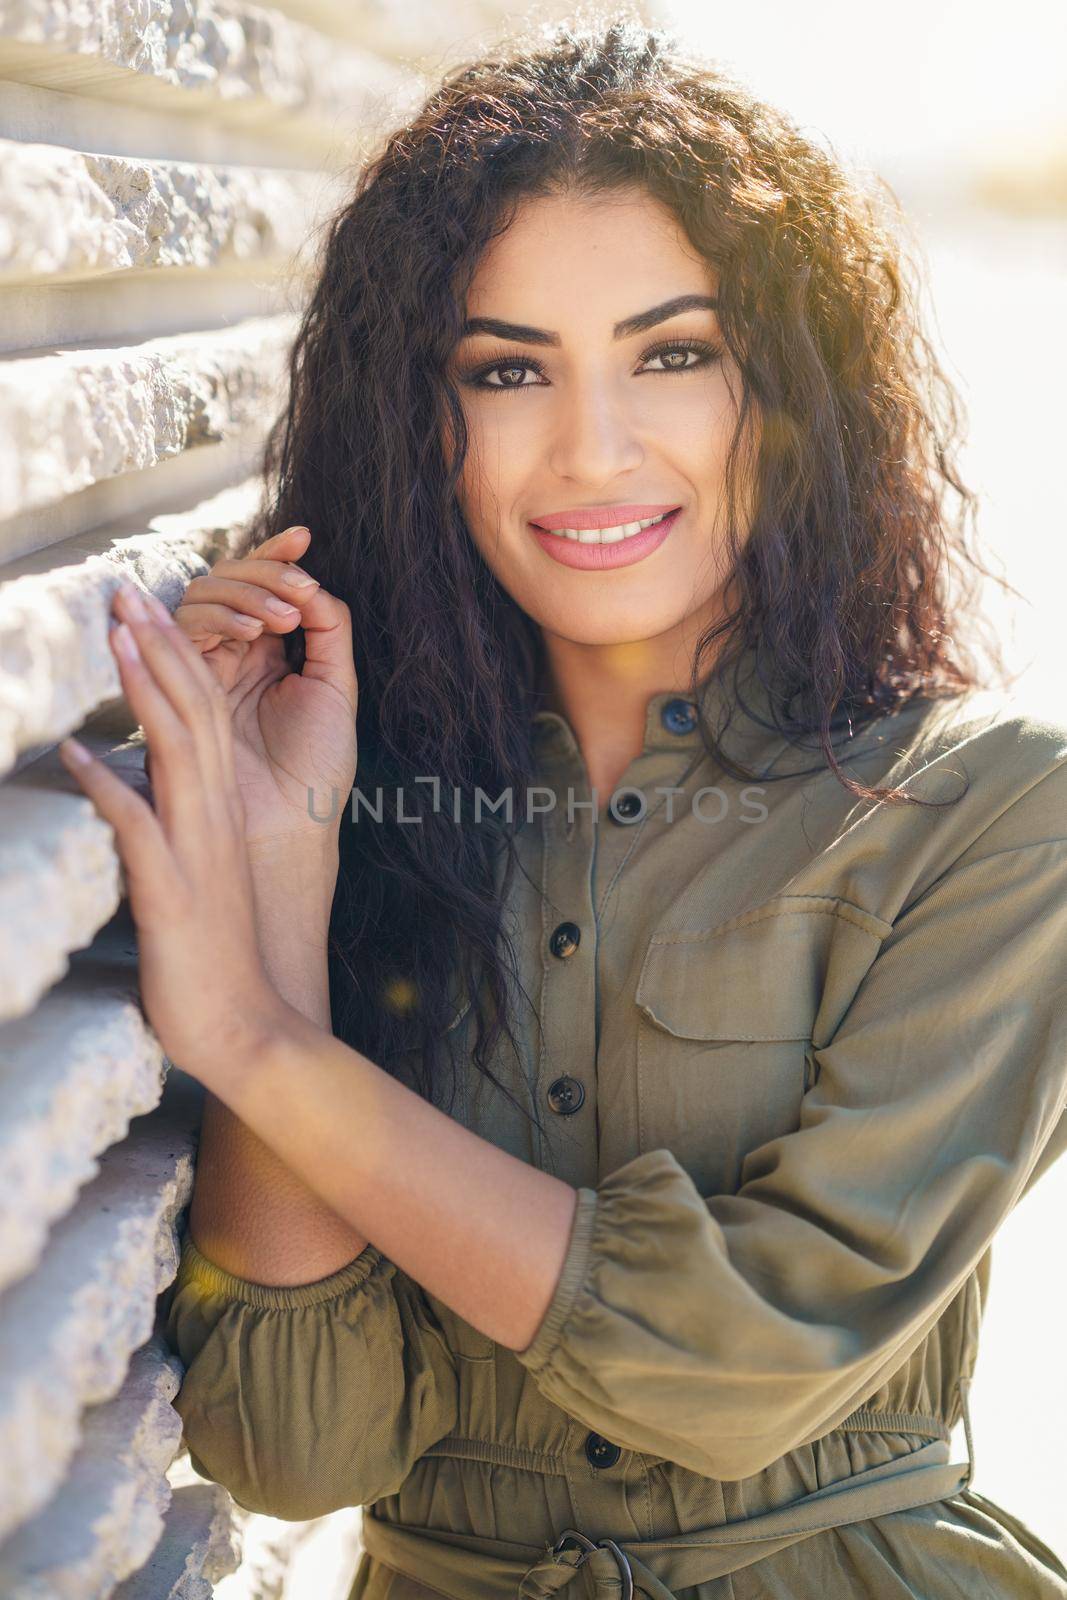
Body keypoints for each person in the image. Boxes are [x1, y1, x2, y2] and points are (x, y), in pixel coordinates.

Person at [58, 18, 1067, 1600]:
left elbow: (741, 1366)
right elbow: (295, 1448)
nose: (591, 450)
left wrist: (259, 1044)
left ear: (784, 391)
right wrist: (279, 875)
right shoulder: (372, 801)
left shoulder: (992, 813)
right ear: (426, 430)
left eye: (674, 353)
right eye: (508, 370)